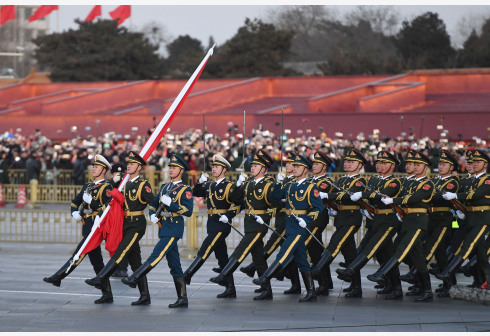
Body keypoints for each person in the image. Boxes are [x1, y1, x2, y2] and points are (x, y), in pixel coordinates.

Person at [121, 154, 194, 308]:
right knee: (175, 265)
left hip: (174, 228)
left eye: (174, 168)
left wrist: (172, 204)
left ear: (181, 171)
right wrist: (153, 214)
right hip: (164, 228)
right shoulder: (165, 187)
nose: (171, 170)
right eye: (170, 167)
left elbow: (188, 211)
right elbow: (153, 203)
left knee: (156, 254)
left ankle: (135, 277)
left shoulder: (185, 189)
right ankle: (182, 298)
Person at [85, 151, 155, 306]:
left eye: (132, 164)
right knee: (135, 262)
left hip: (136, 224)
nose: (128, 166)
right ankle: (145, 295)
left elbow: (154, 201)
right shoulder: (125, 184)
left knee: (120, 251)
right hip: (126, 223)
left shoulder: (143, 185)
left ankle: (101, 277)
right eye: (128, 163)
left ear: (138, 167)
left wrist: (154, 213)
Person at [43, 155, 113, 304]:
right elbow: (75, 202)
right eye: (93, 166)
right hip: (86, 224)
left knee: (79, 253)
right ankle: (107, 293)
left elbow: (107, 208)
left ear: (103, 170)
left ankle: (59, 276)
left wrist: (92, 202)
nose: (93, 168)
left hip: (96, 226)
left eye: (97, 167)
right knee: (97, 261)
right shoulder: (87, 186)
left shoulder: (107, 188)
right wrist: (74, 212)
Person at [253, 154, 323, 302]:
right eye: (294, 166)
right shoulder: (290, 185)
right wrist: (278, 183)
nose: (294, 169)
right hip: (290, 224)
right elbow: (275, 197)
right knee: (302, 260)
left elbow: (318, 208)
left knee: (284, 251)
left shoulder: (310, 187)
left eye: (298, 167)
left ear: (305, 170)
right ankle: (311, 291)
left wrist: (308, 219)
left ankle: (266, 277)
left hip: (300, 226)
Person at [209, 149, 278, 300]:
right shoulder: (248, 183)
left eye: (256, 165)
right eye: (252, 165)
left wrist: (265, 217)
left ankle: (224, 275)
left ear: (264, 169)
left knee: (241, 249)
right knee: (258, 257)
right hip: (249, 224)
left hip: (259, 225)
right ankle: (266, 289)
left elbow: (276, 205)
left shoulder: (269, 184)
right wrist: (238, 185)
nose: (252, 167)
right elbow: (236, 199)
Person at [367, 150, 436, 302]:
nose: (415, 167)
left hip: (418, 222)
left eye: (418, 165)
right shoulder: (409, 183)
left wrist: (393, 201)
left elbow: (413, 198)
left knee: (402, 248)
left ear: (426, 167)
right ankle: (425, 289)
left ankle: (382, 273)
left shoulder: (427, 184)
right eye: (413, 164)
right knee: (417, 257)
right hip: (406, 221)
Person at [336, 150, 403, 299]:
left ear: (392, 166)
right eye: (378, 162)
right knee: (385, 255)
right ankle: (395, 287)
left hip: (388, 222)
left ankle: (351, 270)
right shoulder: (373, 180)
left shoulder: (394, 182)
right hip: (375, 221)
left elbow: (381, 194)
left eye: (384, 163)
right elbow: (372, 198)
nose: (379, 165)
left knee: (371, 247)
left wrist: (363, 195)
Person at [239, 151, 299, 294]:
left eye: (291, 164)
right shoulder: (283, 180)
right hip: (280, 219)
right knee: (290, 253)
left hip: (290, 221)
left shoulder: (295, 181)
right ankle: (292, 283)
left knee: (273, 246)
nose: (288, 166)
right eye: (287, 163)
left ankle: (262, 271)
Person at [311, 149, 367, 298]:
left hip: (351, 218)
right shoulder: (342, 180)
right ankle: (356, 287)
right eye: (346, 162)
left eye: (351, 162)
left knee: (334, 244)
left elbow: (346, 196)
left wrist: (327, 195)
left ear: (359, 165)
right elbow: (338, 198)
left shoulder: (360, 181)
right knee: (350, 254)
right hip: (341, 217)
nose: (347, 164)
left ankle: (317, 270)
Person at [183, 154, 241, 298]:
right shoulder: (210, 185)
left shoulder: (229, 187)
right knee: (222, 258)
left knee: (205, 248)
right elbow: (195, 192)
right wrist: (199, 182)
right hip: (212, 223)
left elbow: (239, 203)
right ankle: (230, 288)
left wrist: (228, 215)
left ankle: (188, 274)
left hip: (222, 225)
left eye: (217, 167)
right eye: (213, 167)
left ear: (224, 170)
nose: (213, 169)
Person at [436, 149, 490, 290]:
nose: (474, 165)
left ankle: (448, 272)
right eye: (471, 162)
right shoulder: (470, 180)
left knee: (468, 245)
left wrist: (455, 196)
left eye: (478, 162)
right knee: (480, 253)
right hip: (468, 218)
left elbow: (475, 195)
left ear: (485, 165)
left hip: (482, 219)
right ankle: (485, 281)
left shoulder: (487, 180)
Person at [108, 162, 130, 278]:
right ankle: (113, 267)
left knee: (123, 243)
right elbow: (105, 193)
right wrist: (112, 182)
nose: (119, 177)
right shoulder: (110, 184)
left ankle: (123, 268)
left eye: (121, 174)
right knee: (112, 243)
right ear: (112, 175)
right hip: (112, 219)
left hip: (124, 217)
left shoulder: (127, 185)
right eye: (116, 174)